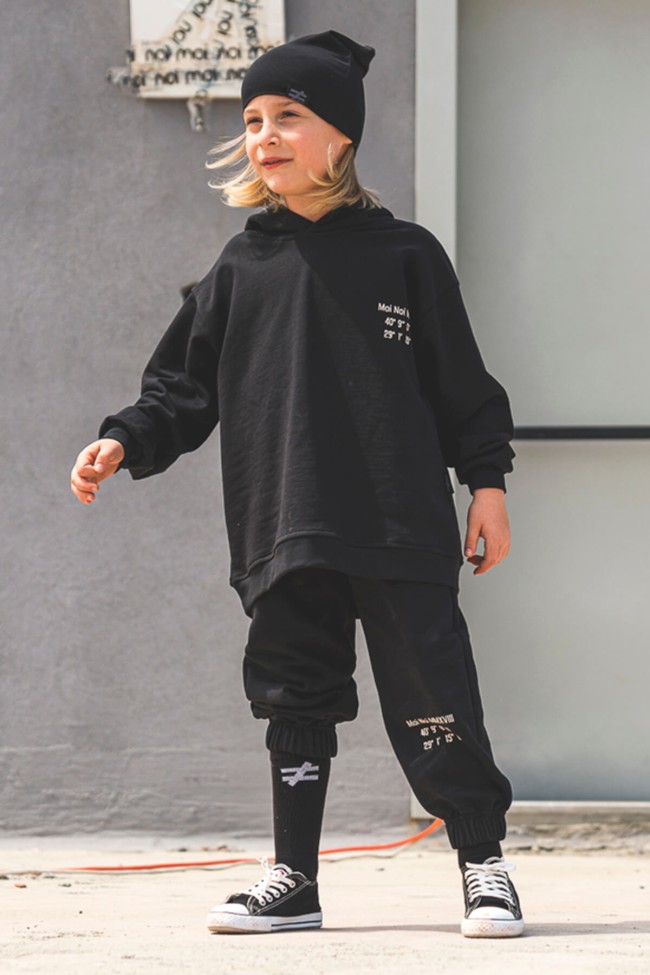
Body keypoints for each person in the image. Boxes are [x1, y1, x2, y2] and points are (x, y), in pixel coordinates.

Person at [70, 30, 524, 939]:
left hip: (399, 524)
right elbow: (181, 388)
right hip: (286, 520)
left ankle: (483, 864)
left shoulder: (407, 255)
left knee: (433, 689)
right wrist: (122, 439)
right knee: (293, 693)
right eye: (252, 120)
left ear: (341, 136)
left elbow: (462, 386)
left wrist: (486, 484)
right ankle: (294, 878)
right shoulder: (241, 269)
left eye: (288, 115)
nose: (265, 135)